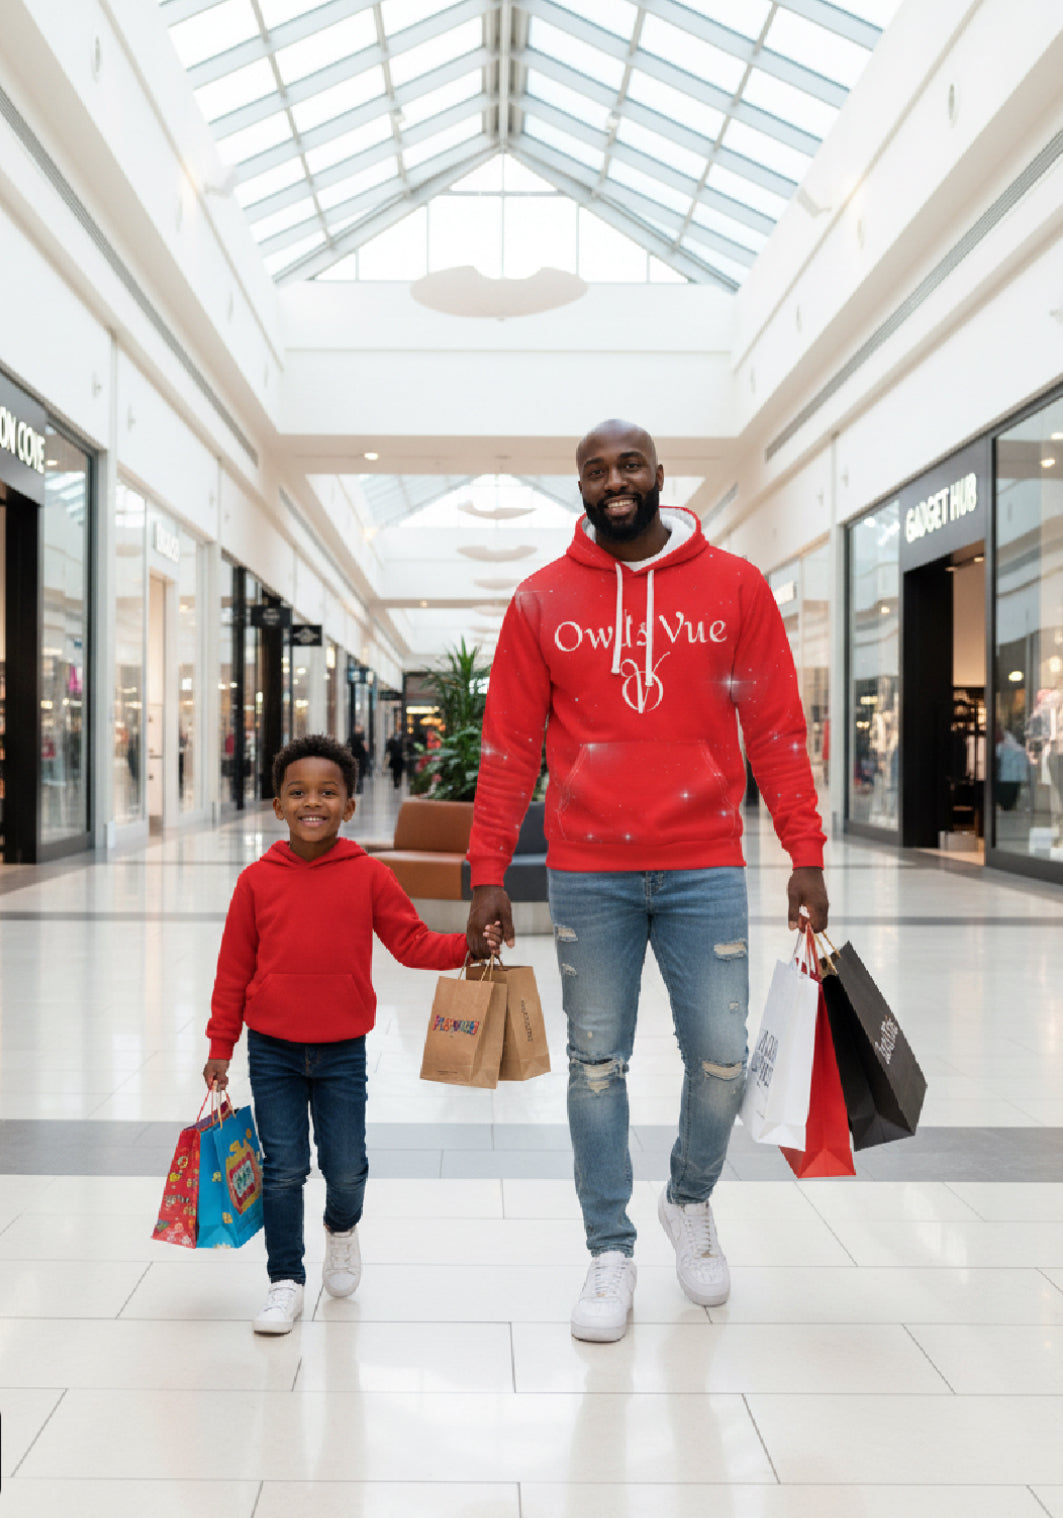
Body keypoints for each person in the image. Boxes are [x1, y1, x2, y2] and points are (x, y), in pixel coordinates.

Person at [466, 419, 828, 1344]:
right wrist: (487, 872)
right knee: (597, 1066)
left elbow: (778, 731)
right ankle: (608, 1249)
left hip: (704, 861)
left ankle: (688, 1198)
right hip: (590, 870)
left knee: (719, 1057)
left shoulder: (735, 587)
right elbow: (507, 747)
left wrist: (806, 853)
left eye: (629, 465)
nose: (613, 481)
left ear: (660, 476)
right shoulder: (540, 600)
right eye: (595, 471)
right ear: (579, 488)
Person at [203, 733, 500, 1335]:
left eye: (328, 792)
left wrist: (465, 945)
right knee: (283, 1168)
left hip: (341, 1051)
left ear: (350, 805)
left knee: (345, 1168)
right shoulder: (256, 882)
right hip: (273, 1050)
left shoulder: (368, 875)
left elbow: (411, 942)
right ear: (279, 805)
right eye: (298, 792)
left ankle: (341, 1228)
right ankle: (285, 1280)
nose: (313, 802)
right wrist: (219, 1047)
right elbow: (233, 970)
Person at [348, 725, 368, 794]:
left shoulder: (352, 738)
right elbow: (366, 750)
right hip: (359, 758)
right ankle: (359, 789)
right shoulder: (361, 738)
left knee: (357, 774)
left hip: (356, 758)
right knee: (359, 774)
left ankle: (357, 788)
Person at [384, 725, 405, 789]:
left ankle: (397, 782)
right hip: (397, 758)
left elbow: (388, 749)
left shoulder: (396, 741)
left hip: (396, 758)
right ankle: (397, 782)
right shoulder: (396, 741)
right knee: (397, 771)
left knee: (396, 771)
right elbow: (388, 749)